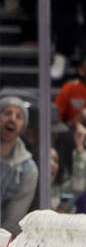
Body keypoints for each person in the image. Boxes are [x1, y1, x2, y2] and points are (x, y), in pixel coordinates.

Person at [0, 96, 37, 236]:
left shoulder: (29, 169)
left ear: (23, 126)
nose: (12, 119)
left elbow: (14, 221)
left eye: (19, 116)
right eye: (7, 113)